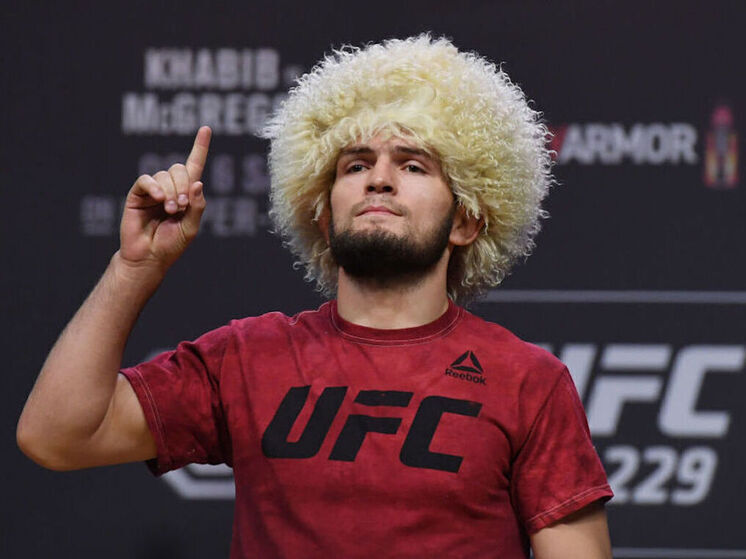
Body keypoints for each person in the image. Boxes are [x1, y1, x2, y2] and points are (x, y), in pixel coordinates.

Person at [18, 35, 613, 558]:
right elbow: (57, 435)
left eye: (413, 166)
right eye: (355, 165)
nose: (379, 178)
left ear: (466, 220)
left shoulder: (527, 381)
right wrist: (135, 267)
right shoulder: (248, 358)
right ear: (323, 216)